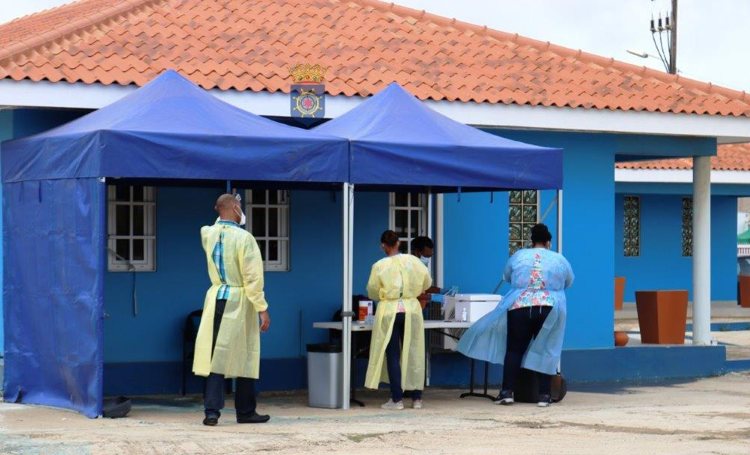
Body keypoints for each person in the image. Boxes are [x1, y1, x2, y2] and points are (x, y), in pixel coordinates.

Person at [457, 223, 573, 407]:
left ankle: (507, 392)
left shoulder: (519, 256)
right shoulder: (559, 259)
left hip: (520, 305)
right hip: (548, 307)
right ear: (548, 242)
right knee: (546, 349)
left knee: (514, 349)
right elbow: (568, 281)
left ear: (532, 240)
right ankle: (544, 395)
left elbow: (508, 277)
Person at [193, 193, 272, 426]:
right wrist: (262, 307)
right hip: (240, 298)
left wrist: (222, 211)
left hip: (216, 296)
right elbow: (252, 277)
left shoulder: (208, 233)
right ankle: (246, 411)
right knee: (246, 353)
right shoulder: (245, 238)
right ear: (236, 208)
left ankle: (211, 411)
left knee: (215, 354)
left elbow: (212, 227)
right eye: (239, 206)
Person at [365, 230, 432, 410]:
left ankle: (397, 399)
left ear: (383, 245)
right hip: (411, 308)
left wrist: (383, 294)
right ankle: (417, 398)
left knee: (393, 355)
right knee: (414, 351)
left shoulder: (379, 265)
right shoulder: (413, 262)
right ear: (399, 243)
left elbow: (372, 290)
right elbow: (427, 282)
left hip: (389, 309)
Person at [410, 236, 441, 308]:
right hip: (409, 311)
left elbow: (423, 287)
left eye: (430, 256)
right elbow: (412, 293)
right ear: (417, 252)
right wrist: (432, 297)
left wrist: (441, 291)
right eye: (426, 256)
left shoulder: (420, 268)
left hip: (419, 309)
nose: (427, 259)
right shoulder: (409, 269)